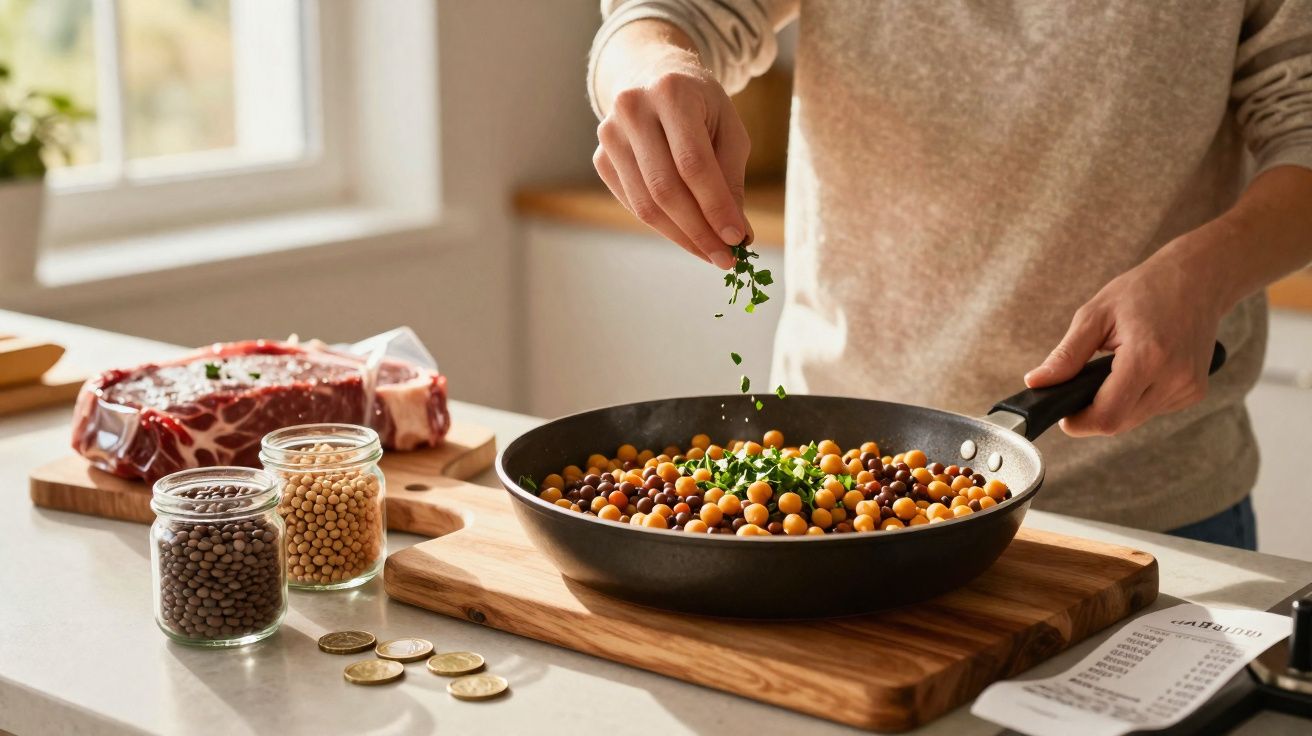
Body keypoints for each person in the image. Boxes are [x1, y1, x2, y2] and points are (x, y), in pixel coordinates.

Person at [586, 1, 1312, 549]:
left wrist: (1205, 275)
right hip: (824, 498)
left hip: (1152, 515)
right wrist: (651, 67)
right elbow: (664, 14)